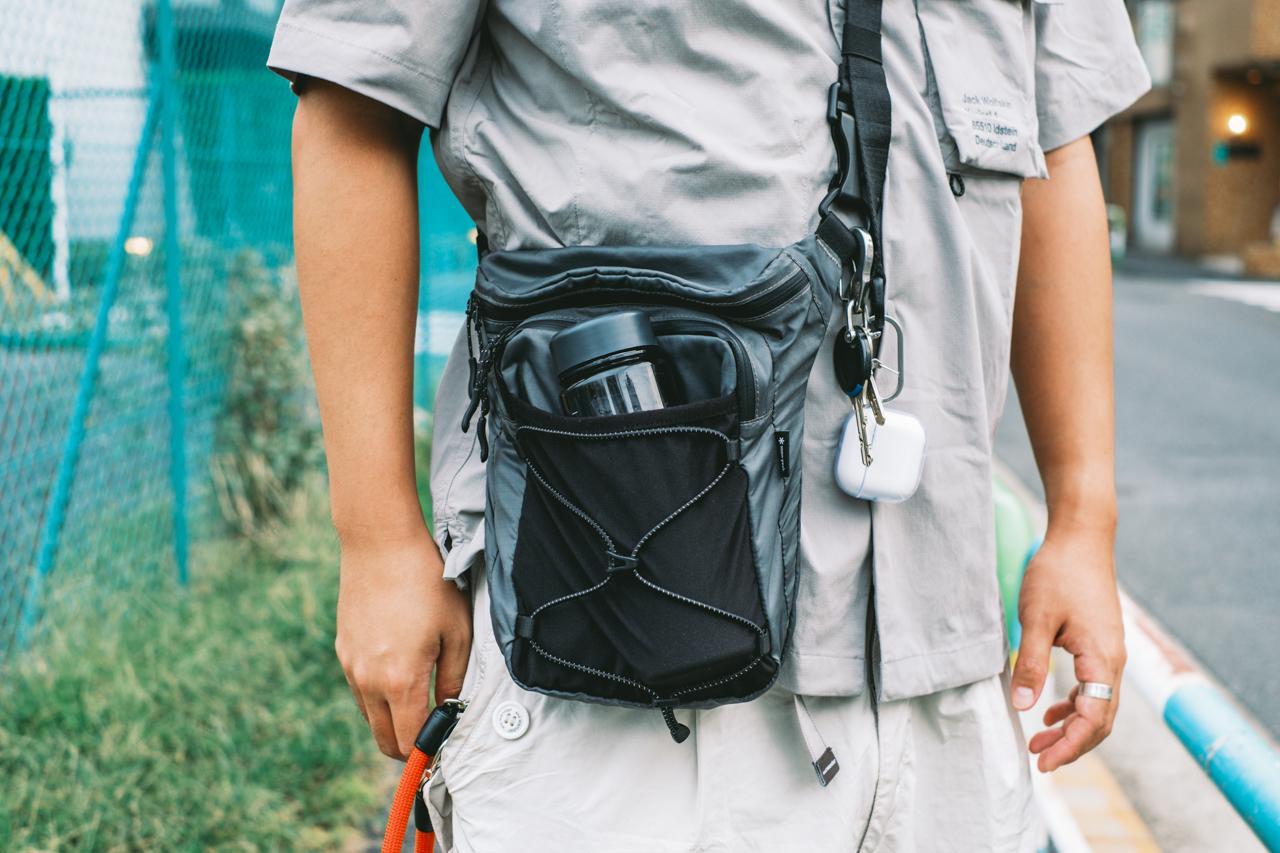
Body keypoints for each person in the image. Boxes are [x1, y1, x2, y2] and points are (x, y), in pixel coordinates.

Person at [268, 1, 1150, 849]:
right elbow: (355, 108)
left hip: (944, 666)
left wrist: (1083, 521)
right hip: (619, 656)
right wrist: (378, 540)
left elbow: (1056, 150)